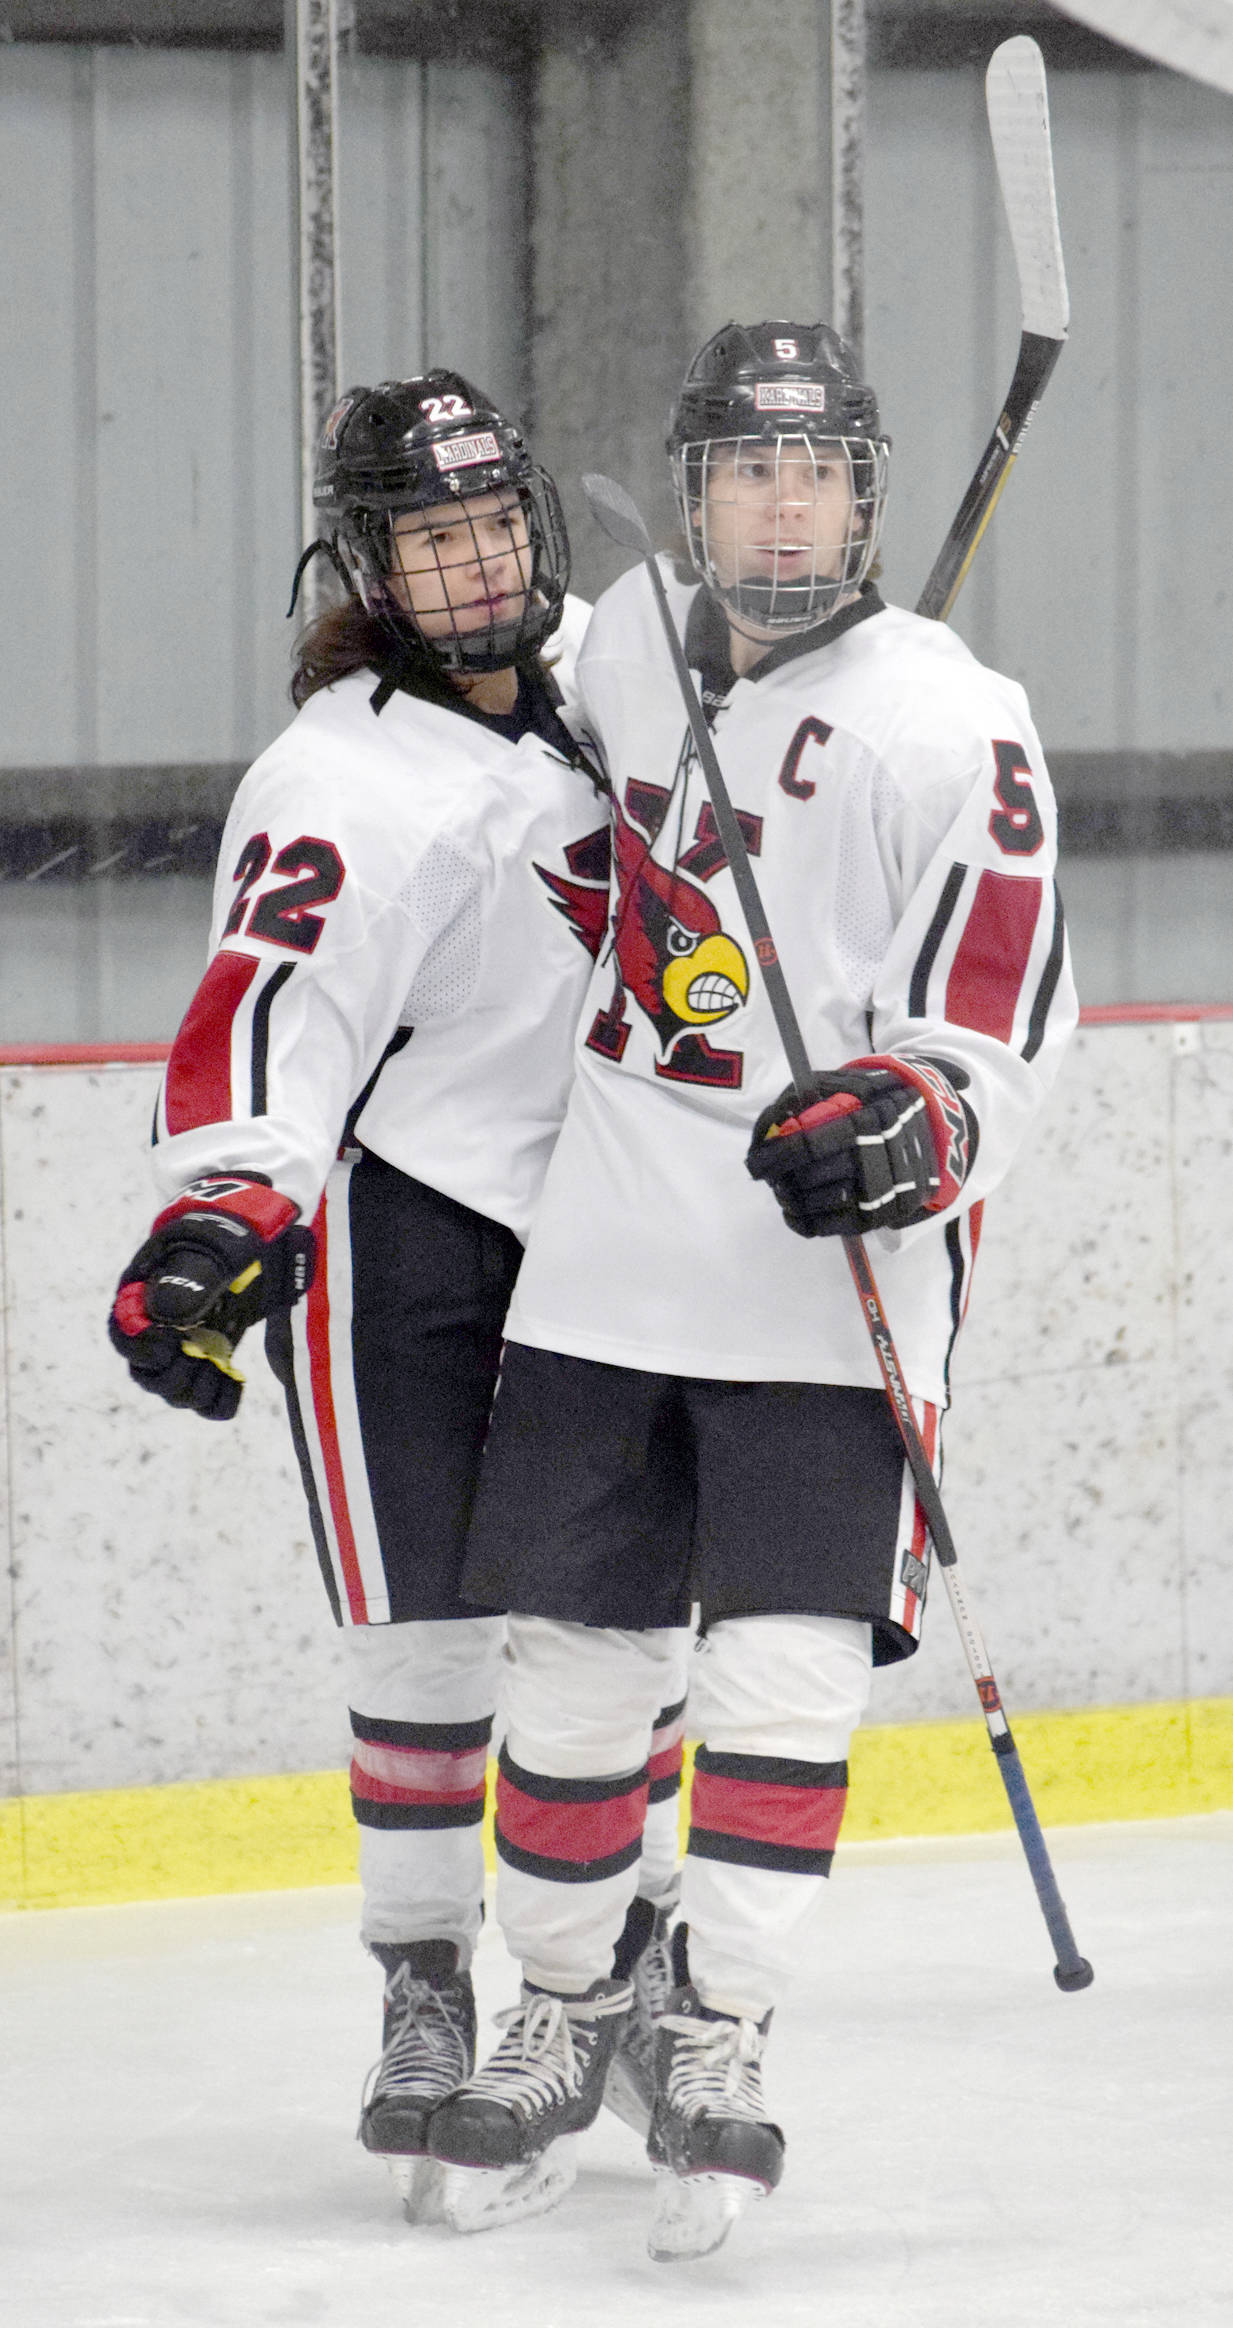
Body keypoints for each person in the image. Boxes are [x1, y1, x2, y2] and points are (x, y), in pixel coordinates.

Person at [424, 321, 1078, 2257]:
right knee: (565, 1674)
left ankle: (716, 2026)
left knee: (778, 1678)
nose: (782, 499)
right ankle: (562, 2004)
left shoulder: (955, 713)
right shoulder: (618, 638)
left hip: (821, 1289)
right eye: (745, 467)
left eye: (817, 470)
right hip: (608, 1263)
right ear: (695, 487)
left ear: (866, 496)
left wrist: (910, 1115)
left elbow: (1004, 1006)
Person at [106, 371, 687, 2220]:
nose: (473, 563)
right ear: (367, 562)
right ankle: (427, 1993)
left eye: (494, 525)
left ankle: (627, 1971)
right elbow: (275, 1006)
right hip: (409, 1231)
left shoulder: (620, 667)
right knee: (426, 1635)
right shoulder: (339, 775)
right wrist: (223, 1205)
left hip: (614, 1221)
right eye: (429, 539)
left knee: (618, 1636)